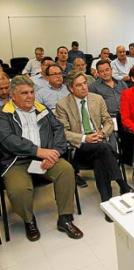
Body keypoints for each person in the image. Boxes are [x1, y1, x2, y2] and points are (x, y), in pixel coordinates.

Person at [0, 75, 83, 241]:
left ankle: (65, 218)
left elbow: (58, 129)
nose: (30, 96)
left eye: (32, 92)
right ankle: (29, 220)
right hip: (17, 161)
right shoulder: (4, 114)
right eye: (24, 93)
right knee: (19, 190)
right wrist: (38, 151)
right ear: (13, 95)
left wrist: (55, 153)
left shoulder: (41, 109)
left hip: (47, 156)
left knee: (66, 170)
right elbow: (8, 139)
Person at [55, 71, 131, 222]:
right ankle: (122, 184)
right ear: (71, 88)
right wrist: (85, 138)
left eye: (85, 83)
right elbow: (63, 132)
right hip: (79, 149)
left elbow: (109, 121)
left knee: (100, 158)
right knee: (104, 149)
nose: (84, 87)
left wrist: (102, 133)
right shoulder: (62, 105)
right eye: (79, 85)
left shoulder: (97, 99)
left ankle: (107, 203)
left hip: (99, 144)